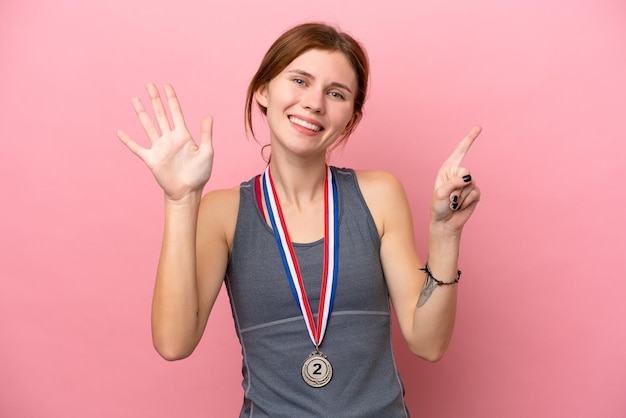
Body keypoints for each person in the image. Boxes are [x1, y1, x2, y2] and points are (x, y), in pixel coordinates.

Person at [117, 22, 481, 418]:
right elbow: (174, 343)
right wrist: (181, 200)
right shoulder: (223, 213)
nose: (315, 103)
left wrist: (445, 234)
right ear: (263, 90)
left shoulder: (379, 196)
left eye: (336, 93)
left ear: (351, 118)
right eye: (299, 80)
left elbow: (428, 344)